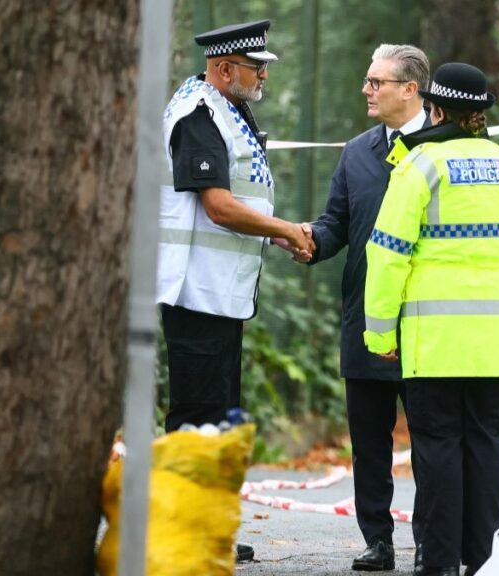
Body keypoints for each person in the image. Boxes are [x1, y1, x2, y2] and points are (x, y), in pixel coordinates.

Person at [363, 63, 499, 576]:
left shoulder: (420, 166)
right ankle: (483, 561)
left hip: (436, 342)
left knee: (439, 450)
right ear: (482, 112)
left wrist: (379, 333)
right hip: (497, 344)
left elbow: (388, 254)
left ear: (436, 109)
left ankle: (439, 563)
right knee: (487, 451)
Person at [157, 19, 313, 563]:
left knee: (217, 415)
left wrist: (281, 231)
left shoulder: (228, 110)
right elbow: (218, 206)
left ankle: (208, 530)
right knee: (197, 418)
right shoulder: (199, 116)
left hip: (221, 292)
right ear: (224, 69)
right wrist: (287, 231)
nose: (264, 75)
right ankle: (187, 533)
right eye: (256, 67)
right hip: (196, 290)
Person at [302, 43, 432, 572]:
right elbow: (337, 224)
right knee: (369, 441)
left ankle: (431, 541)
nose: (366, 90)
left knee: (431, 441)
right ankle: (377, 540)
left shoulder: (442, 148)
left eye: (377, 81)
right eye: (366, 80)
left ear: (410, 88)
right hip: (366, 317)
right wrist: (306, 238)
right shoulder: (356, 151)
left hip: (429, 319)